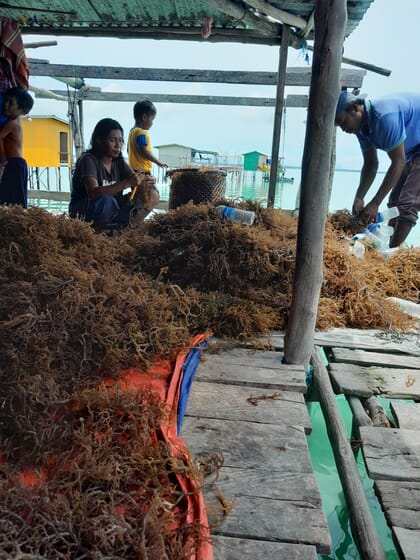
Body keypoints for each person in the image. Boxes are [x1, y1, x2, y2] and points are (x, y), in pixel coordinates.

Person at [335, 90, 420, 248]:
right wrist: (359, 197)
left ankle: (393, 260)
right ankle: (391, 250)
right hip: (413, 149)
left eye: (342, 121)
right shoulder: (361, 129)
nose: (343, 129)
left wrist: (374, 204)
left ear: (354, 108)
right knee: (394, 202)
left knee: (408, 203)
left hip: (411, 151)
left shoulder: (384, 117)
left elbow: (398, 161)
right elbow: (371, 164)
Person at [69, 118, 156, 230]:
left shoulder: (118, 161)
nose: (118, 145)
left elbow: (135, 180)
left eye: (120, 141)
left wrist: (147, 180)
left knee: (152, 194)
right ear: (99, 140)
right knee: (107, 201)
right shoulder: (89, 160)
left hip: (112, 209)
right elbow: (94, 193)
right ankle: (98, 233)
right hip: (86, 210)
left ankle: (125, 232)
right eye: (112, 140)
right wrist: (126, 183)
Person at [127, 99, 167, 220]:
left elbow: (129, 151)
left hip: (134, 171)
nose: (152, 123)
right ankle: (134, 224)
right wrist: (158, 162)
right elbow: (143, 151)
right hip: (142, 173)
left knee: (139, 200)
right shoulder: (140, 133)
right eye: (152, 119)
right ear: (144, 117)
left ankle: (132, 223)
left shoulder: (131, 132)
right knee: (151, 197)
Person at [0, 86, 34, 207]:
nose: (5, 105)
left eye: (11, 103)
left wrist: (3, 158)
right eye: (5, 101)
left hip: (14, 163)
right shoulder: (15, 120)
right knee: (14, 198)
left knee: (13, 201)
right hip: (17, 164)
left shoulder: (12, 122)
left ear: (22, 111)